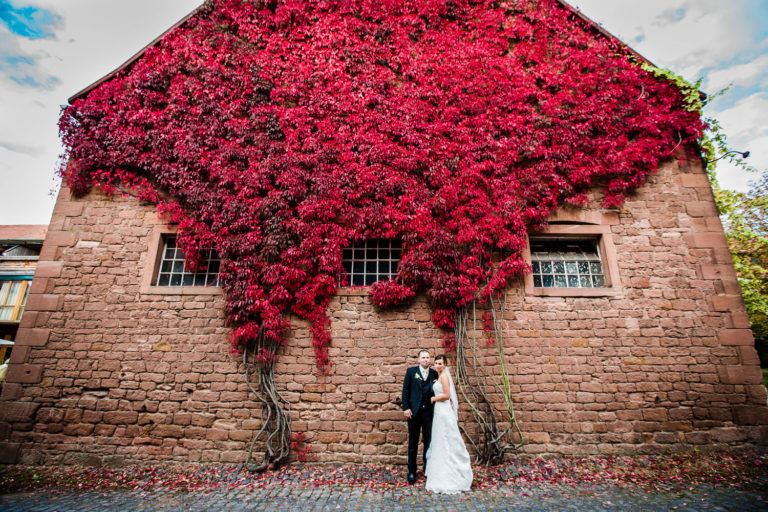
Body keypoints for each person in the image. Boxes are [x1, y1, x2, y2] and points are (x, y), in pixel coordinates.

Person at [425, 354, 473, 493]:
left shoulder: (444, 377)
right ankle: (441, 471)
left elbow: (447, 395)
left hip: (444, 410)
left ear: (445, 364)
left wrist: (434, 398)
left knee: (447, 438)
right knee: (440, 440)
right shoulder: (438, 376)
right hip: (439, 412)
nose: (437, 366)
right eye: (436, 363)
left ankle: (453, 474)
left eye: (440, 363)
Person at [402, 349, 438, 485]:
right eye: (423, 358)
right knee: (413, 443)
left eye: (427, 358)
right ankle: (412, 471)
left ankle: (427, 469)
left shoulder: (434, 374)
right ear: (418, 360)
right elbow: (405, 391)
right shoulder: (411, 372)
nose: (425, 360)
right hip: (414, 413)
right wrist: (406, 408)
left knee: (428, 442)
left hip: (429, 413)